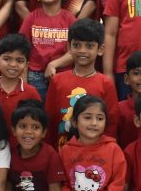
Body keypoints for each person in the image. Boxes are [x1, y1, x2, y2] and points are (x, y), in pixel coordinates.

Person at [45, 18, 118, 148]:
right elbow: (49, 120)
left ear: (100, 49)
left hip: (95, 153)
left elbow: (111, 124)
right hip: (61, 150)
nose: (82, 50)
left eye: (89, 46)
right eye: (77, 45)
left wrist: (105, 151)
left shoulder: (105, 83)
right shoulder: (57, 80)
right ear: (69, 47)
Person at [18, 0, 77, 100]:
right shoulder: (31, 18)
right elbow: (22, 50)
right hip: (34, 76)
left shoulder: (70, 19)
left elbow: (75, 52)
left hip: (62, 74)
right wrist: (23, 80)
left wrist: (53, 64)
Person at [0, 35, 41, 139]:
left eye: (19, 60)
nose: (13, 64)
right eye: (7, 59)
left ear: (26, 66)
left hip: (20, 147)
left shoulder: (31, 93)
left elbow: (38, 123)